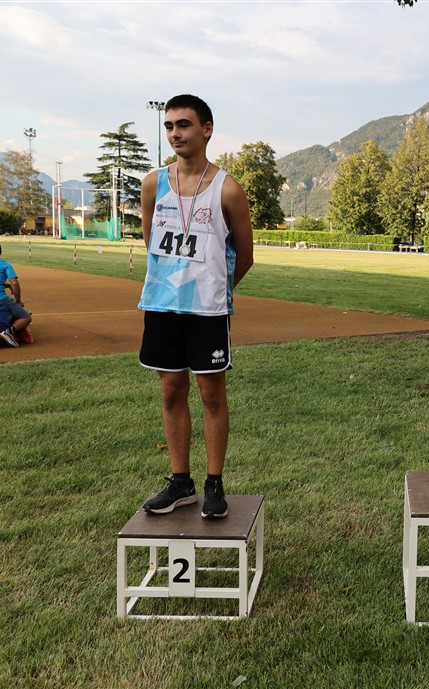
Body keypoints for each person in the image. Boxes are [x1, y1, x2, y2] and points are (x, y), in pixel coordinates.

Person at [138, 94, 254, 520]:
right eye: (169, 126)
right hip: (162, 305)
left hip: (207, 311)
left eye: (183, 125)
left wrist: (214, 290)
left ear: (206, 129)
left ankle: (214, 483)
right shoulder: (153, 184)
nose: (175, 133)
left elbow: (245, 256)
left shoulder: (228, 189)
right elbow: (151, 241)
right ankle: (180, 482)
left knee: (211, 394)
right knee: (171, 390)